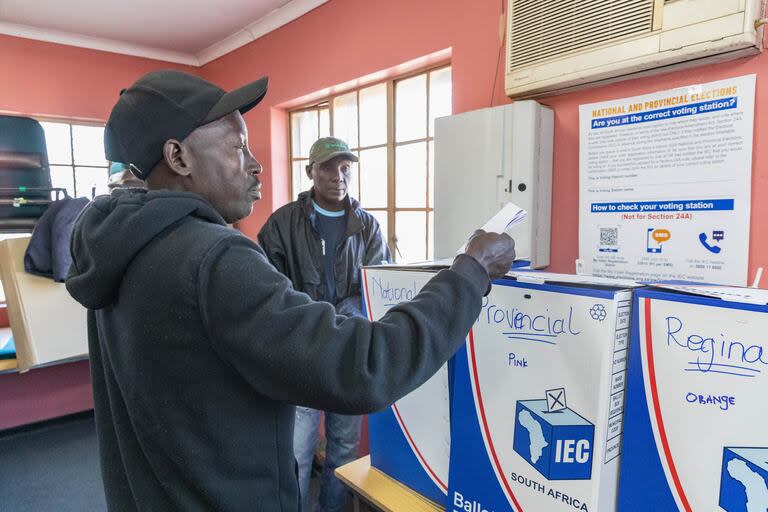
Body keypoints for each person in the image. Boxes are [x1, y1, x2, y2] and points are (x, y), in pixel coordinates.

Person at [65, 69, 515, 512]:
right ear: (179, 157)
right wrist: (470, 272)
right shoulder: (216, 258)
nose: (256, 164)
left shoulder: (115, 247)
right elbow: (366, 367)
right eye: (238, 147)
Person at [258, 136, 390, 512]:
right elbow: (269, 289)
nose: (338, 175)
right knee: (296, 453)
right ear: (310, 171)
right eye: (329, 167)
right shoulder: (281, 224)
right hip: (300, 354)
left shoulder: (368, 228)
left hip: (347, 353)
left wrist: (343, 319)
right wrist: (311, 322)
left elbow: (374, 289)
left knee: (344, 452)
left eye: (345, 167)